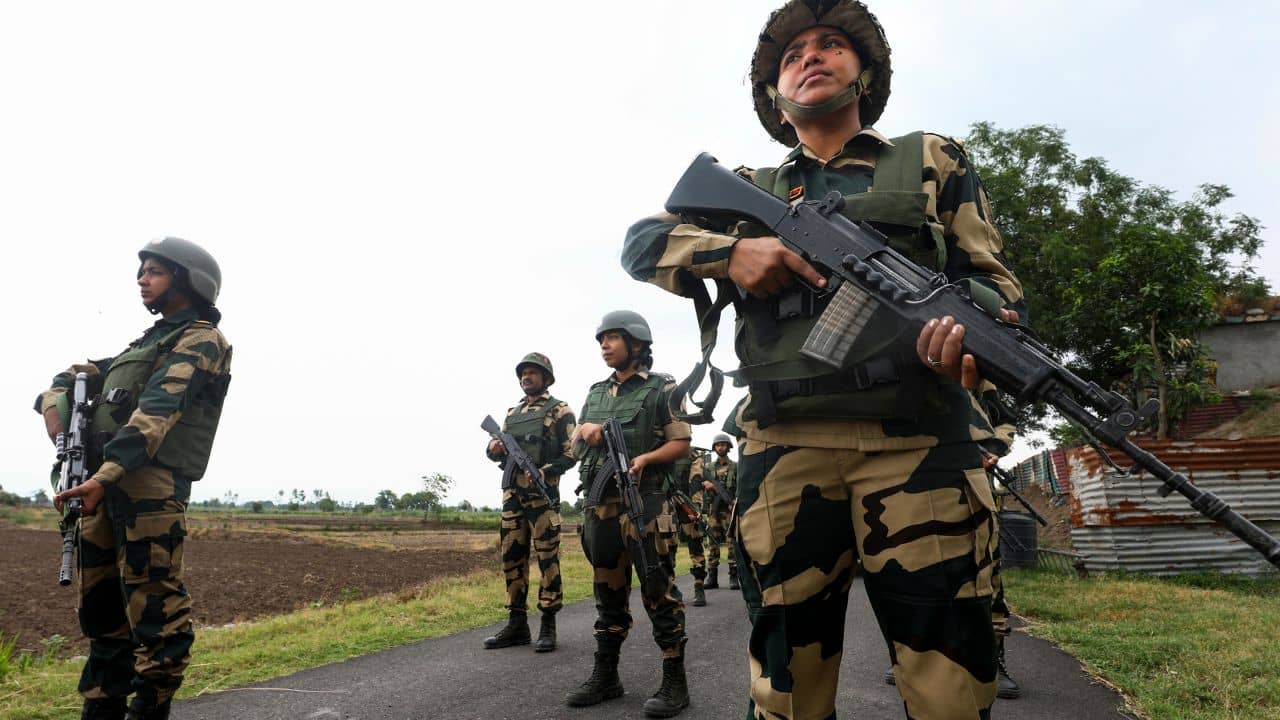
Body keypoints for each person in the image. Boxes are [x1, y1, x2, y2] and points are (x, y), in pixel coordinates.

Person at [621, 1, 1027, 717]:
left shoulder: (932, 158)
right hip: (785, 447)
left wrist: (971, 336)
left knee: (951, 687)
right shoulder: (750, 189)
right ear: (775, 100)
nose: (810, 56)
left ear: (864, 73)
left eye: (831, 44)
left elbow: (994, 286)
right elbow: (641, 244)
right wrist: (731, 252)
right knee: (787, 687)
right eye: (792, 54)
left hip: (921, 445)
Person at [39, 237, 233, 720]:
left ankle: (150, 708)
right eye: (141, 270)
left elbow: (156, 413)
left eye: (154, 271)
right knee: (102, 613)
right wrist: (52, 403)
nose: (141, 279)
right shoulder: (141, 346)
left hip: (148, 493)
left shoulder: (201, 339)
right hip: (99, 489)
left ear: (187, 280)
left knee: (155, 612)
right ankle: (101, 706)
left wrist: (104, 477)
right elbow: (78, 374)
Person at [565, 310, 693, 718]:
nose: (604, 345)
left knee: (658, 589)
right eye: (601, 339)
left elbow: (682, 443)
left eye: (613, 337)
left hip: (647, 504)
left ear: (636, 344)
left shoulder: (662, 388)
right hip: (600, 506)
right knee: (607, 593)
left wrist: (645, 459)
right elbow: (573, 448)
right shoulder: (596, 393)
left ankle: (675, 681)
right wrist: (584, 431)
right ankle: (606, 675)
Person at [483, 352, 577, 652]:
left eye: (532, 372)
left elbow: (572, 453)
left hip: (542, 497)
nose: (526, 376)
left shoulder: (560, 410)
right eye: (523, 372)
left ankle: (547, 623)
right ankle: (517, 624)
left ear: (546, 377)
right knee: (512, 558)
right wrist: (494, 447)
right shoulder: (512, 414)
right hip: (512, 497)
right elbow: (496, 451)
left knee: (547, 559)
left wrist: (546, 470)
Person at [668, 445, 709, 607]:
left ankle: (699, 585)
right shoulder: (659, 449)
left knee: (695, 543)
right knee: (667, 546)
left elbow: (696, 481)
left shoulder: (692, 454)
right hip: (666, 504)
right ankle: (669, 588)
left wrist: (695, 507)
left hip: (686, 502)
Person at [697, 434, 738, 591]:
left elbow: (739, 487)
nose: (720, 447)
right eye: (718, 445)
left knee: (731, 543)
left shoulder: (735, 466)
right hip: (713, 511)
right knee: (712, 543)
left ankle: (734, 576)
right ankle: (712, 577)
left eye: (723, 444)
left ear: (728, 447)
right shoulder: (708, 468)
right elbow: (699, 484)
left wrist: (734, 502)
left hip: (729, 510)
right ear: (714, 448)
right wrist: (706, 485)